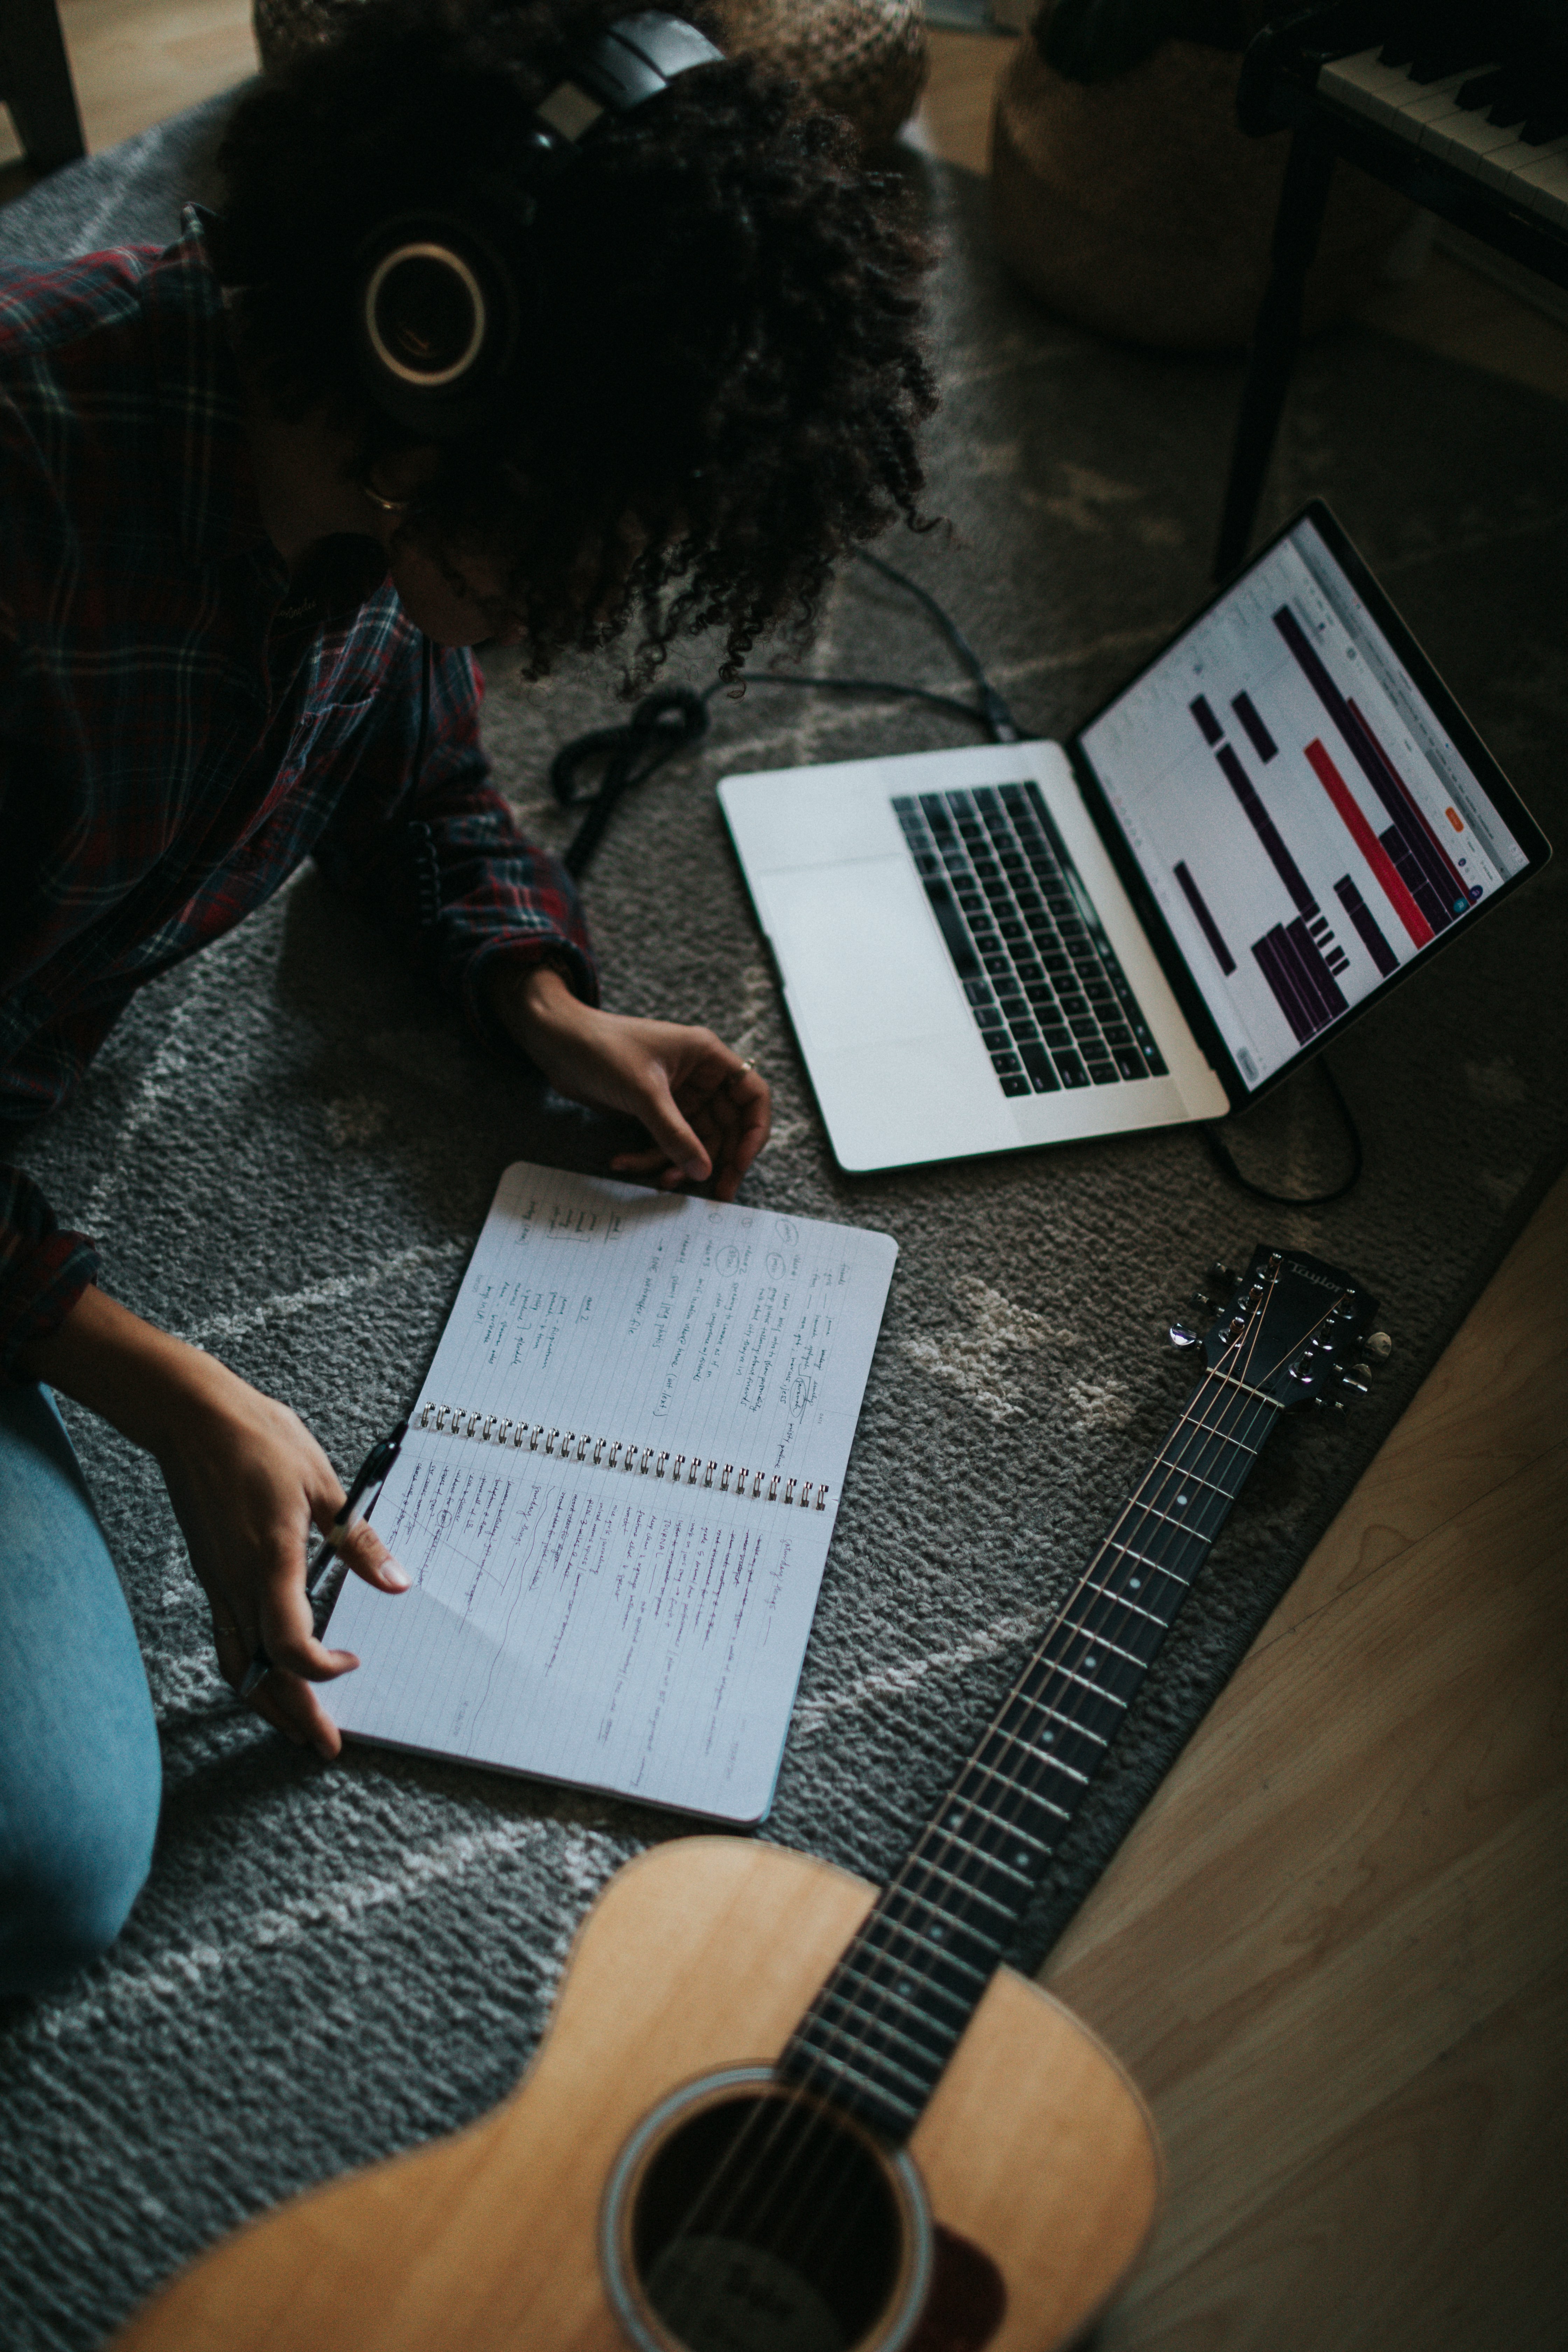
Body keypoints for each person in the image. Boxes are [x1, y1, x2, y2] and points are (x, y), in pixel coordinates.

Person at [0, 0, 935, 1994]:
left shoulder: (364, 484)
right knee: (54, 1861)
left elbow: (410, 763)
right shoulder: (27, 485)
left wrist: (531, 997)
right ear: (429, 367)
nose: (593, 603)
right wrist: (170, 1394)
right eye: (582, 534)